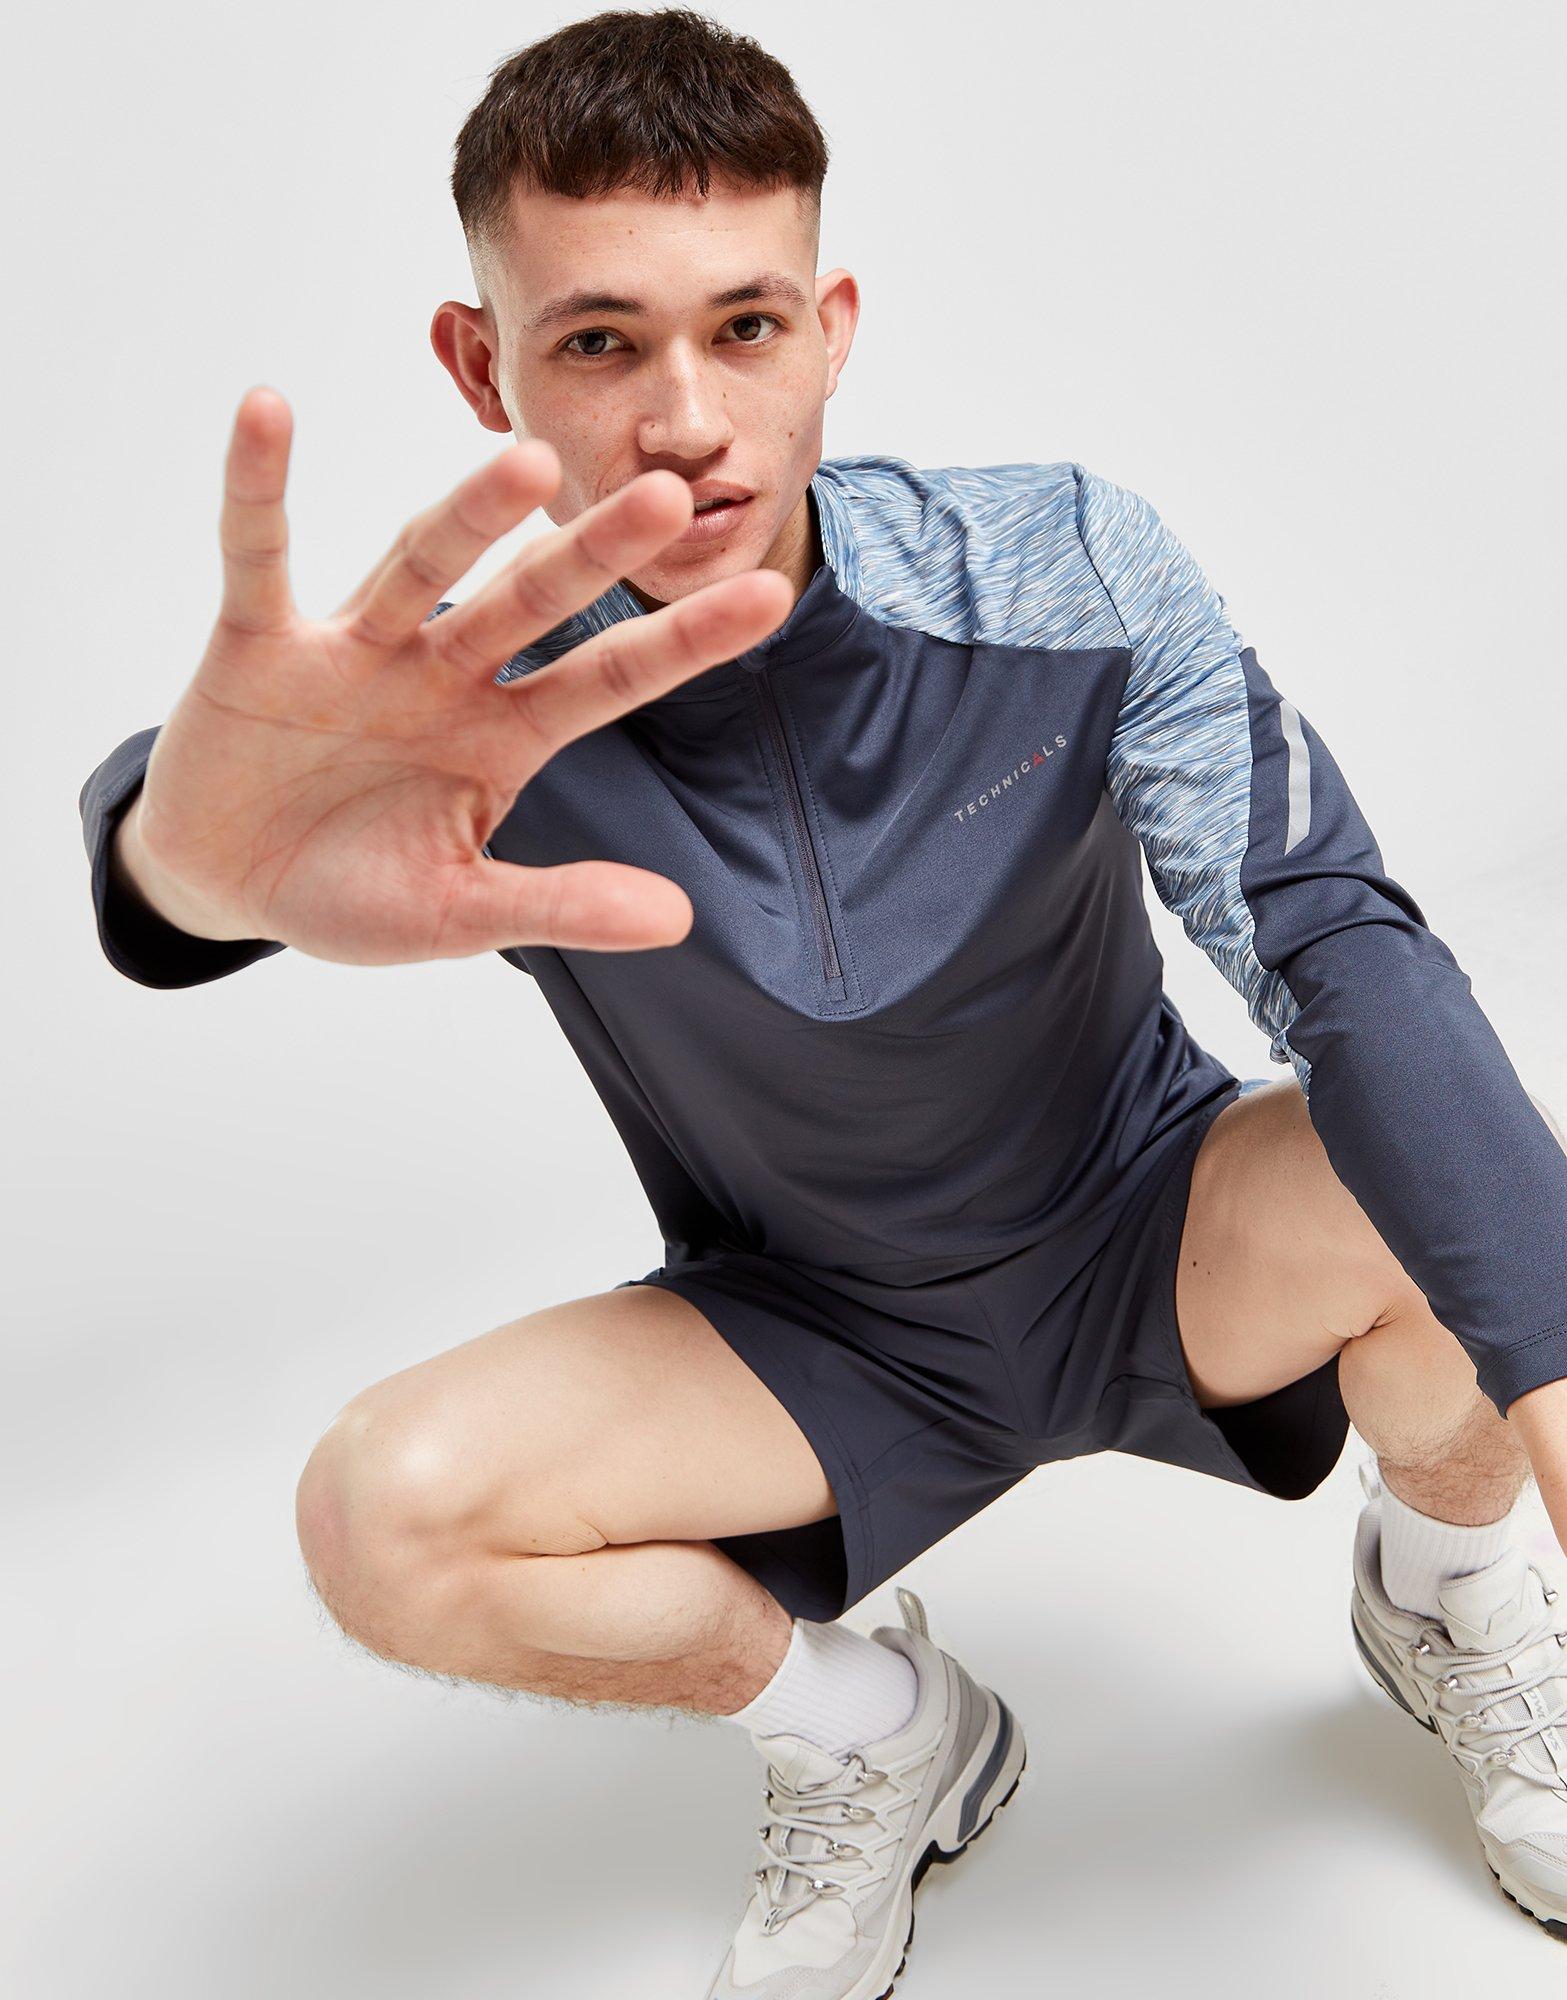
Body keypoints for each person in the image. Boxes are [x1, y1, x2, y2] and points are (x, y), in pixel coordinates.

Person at [78, 7, 1567, 1991]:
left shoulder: (1055, 565)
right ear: (482, 363)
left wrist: (1555, 1376)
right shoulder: (451, 705)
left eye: (746, 326)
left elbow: (1335, 940)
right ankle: (881, 1735)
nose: (688, 417)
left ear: (831, 326)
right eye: (599, 342)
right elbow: (191, 850)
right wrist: (178, 876)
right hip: (810, 1325)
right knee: (386, 1519)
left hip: (1153, 1236)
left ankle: (1454, 1591)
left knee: (1443, 1149)